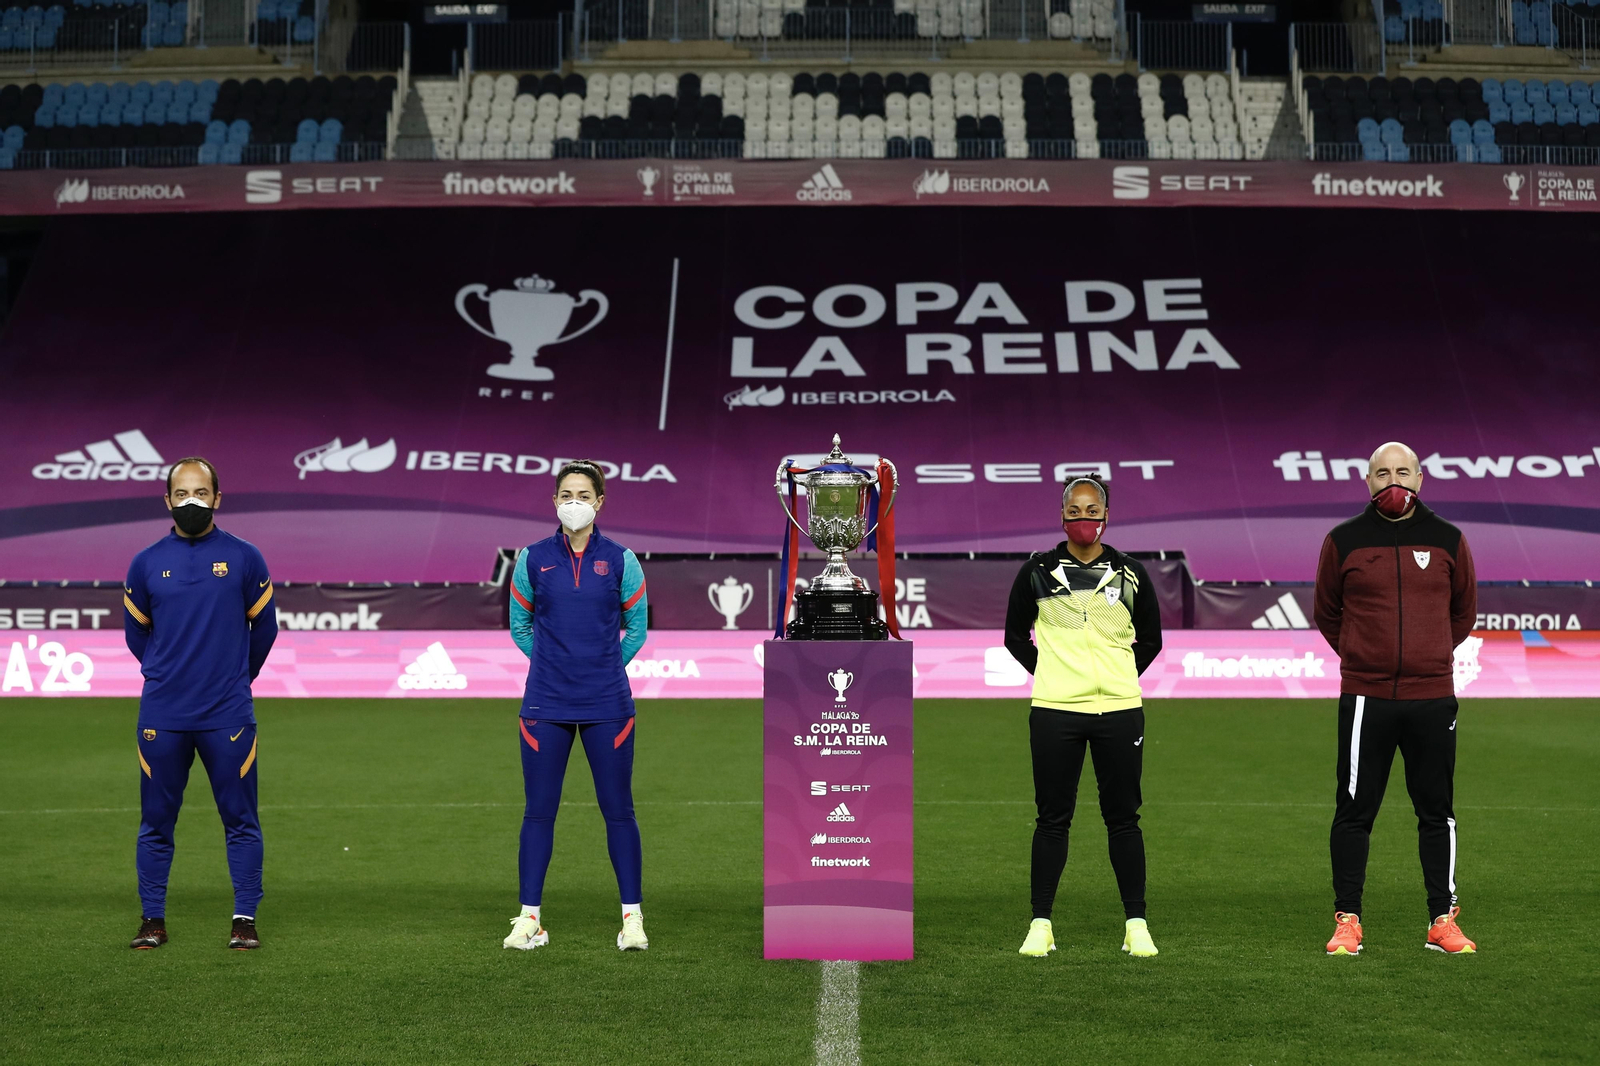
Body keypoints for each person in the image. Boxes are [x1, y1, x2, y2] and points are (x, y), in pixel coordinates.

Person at [1314, 441, 1479, 956]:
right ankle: (1348, 920)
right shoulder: (1343, 540)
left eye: (1402, 472)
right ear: (1367, 481)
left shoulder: (1449, 539)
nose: (1393, 482)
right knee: (1355, 811)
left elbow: (1463, 613)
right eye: (1382, 473)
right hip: (1366, 697)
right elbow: (1327, 613)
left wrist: (1427, 655)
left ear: (1421, 478)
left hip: (1432, 697)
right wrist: (1366, 657)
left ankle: (1441, 920)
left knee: (1437, 811)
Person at [1003, 473, 1163, 959]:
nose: (1084, 519)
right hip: (1055, 711)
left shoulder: (1131, 573)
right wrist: (1051, 674)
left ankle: (1136, 924)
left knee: (1124, 820)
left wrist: (1118, 678)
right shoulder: (1037, 570)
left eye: (1093, 511)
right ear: (1063, 516)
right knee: (1052, 820)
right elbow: (1014, 638)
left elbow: (1151, 640)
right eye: (1076, 511)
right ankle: (1040, 923)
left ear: (1107, 517)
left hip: (1120, 711)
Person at [123, 457, 278, 951]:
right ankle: (152, 921)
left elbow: (265, 629)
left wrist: (234, 679)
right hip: (163, 717)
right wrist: (169, 675)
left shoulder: (245, 556)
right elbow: (136, 636)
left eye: (201, 493)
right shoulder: (145, 562)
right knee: (156, 824)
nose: (192, 502)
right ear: (167, 501)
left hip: (227, 716)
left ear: (217, 497)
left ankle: (244, 920)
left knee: (241, 821)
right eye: (182, 494)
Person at [502, 460, 650, 952]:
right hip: (545, 704)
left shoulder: (623, 560)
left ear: (600, 501)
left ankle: (632, 920)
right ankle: (530, 920)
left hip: (609, 704)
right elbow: (520, 626)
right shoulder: (531, 558)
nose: (574, 503)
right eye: (565, 494)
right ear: (554, 500)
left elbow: (638, 629)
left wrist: (605, 667)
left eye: (583, 494)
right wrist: (554, 665)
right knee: (538, 814)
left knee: (619, 812)